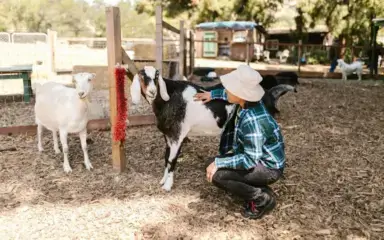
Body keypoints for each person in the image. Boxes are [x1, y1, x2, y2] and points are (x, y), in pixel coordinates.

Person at [194, 64, 286, 219]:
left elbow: (250, 160)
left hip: (268, 167)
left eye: (231, 88)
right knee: (211, 164)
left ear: (241, 93)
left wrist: (219, 164)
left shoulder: (253, 121)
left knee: (218, 175)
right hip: (258, 158)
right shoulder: (247, 103)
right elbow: (230, 94)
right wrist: (212, 94)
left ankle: (261, 198)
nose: (227, 89)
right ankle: (255, 187)